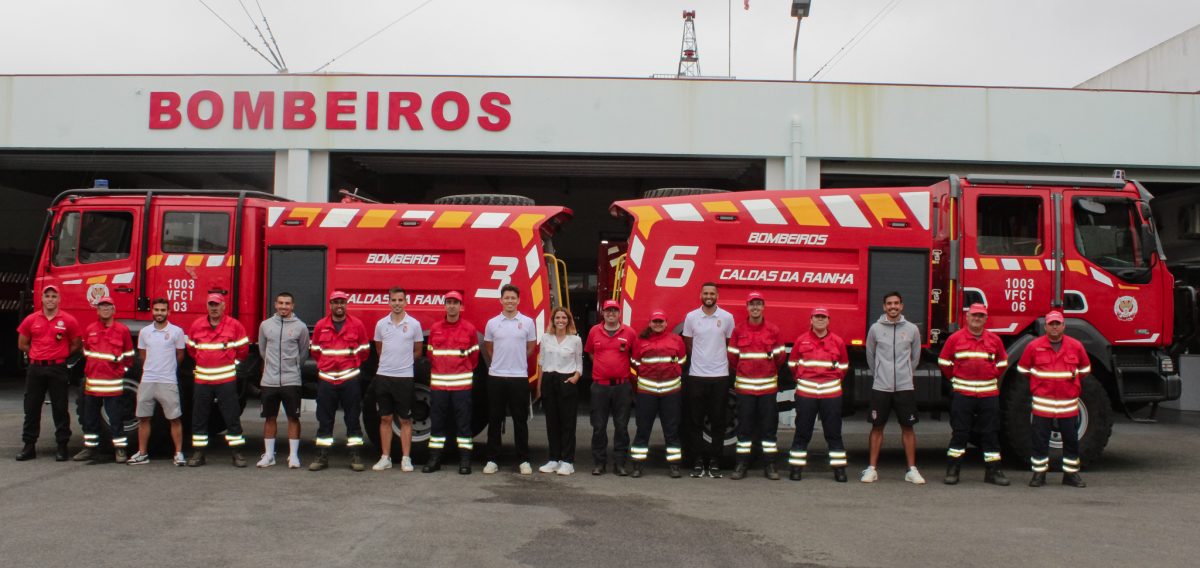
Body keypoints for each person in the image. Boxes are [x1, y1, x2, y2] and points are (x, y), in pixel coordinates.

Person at [938, 303, 1010, 486]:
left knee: (991, 433)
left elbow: (1003, 363)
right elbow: (944, 362)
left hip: (988, 393)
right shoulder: (955, 339)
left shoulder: (994, 340)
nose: (977, 319)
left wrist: (991, 374)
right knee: (960, 433)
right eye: (974, 315)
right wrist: (956, 378)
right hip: (963, 393)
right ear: (967, 317)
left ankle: (993, 472)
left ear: (986, 319)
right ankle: (953, 470)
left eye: (981, 316)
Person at [1017, 310, 1090, 488]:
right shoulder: (1034, 346)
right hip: (1043, 404)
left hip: (1068, 405)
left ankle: (1071, 475)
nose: (1055, 327)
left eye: (1058, 323)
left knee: (1071, 441)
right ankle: (1039, 474)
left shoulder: (1076, 346)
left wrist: (1071, 385)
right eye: (1051, 324)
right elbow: (1023, 369)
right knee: (1040, 440)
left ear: (1063, 326)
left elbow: (1085, 369)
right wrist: (1039, 384)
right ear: (1046, 326)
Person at [862, 291, 925, 484]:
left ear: (902, 306)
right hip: (881, 386)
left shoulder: (912, 329)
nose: (893, 307)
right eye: (889, 304)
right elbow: (870, 356)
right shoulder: (875, 329)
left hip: (905, 386)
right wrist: (881, 374)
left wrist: (905, 373)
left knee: (908, 427)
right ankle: (871, 469)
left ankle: (911, 470)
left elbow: (915, 357)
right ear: (884, 307)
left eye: (896, 303)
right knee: (877, 427)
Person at [15, 284, 81, 462]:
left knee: (60, 408)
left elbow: (76, 343)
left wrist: (61, 355)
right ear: (42, 299)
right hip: (36, 369)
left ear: (59, 299)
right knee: (31, 408)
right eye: (47, 296)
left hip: (57, 369)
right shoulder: (31, 319)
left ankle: (62, 446)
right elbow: (22, 344)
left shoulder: (68, 320)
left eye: (54, 296)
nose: (50, 299)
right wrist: (37, 355)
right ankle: (29, 446)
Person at [186, 292, 250, 467]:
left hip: (226, 381)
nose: (214, 308)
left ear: (223, 306)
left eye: (217, 304)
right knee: (199, 418)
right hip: (202, 381)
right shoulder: (197, 325)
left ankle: (237, 453)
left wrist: (229, 363)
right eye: (211, 305)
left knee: (232, 417)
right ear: (207, 306)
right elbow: (191, 349)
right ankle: (199, 453)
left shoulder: (234, 326)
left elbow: (243, 351)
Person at [308, 291, 370, 472]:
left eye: (342, 302)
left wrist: (350, 365)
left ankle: (356, 455)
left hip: (349, 379)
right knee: (324, 420)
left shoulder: (357, 325)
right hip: (327, 380)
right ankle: (321, 456)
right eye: (336, 302)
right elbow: (316, 351)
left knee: (352, 419)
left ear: (346, 304)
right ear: (330, 305)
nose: (339, 306)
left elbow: (364, 351)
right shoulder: (321, 325)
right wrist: (328, 365)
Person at [727, 292, 786, 481]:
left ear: (763, 307)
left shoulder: (773, 330)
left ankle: (770, 465)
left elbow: (780, 358)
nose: (755, 308)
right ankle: (741, 464)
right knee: (744, 428)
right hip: (745, 390)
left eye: (758, 304)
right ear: (747, 307)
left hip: (767, 389)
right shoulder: (738, 330)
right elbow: (733, 358)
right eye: (752, 304)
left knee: (769, 428)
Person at [787, 307, 850, 482]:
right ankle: (796, 468)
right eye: (817, 317)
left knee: (833, 433)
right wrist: (801, 378)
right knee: (802, 432)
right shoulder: (802, 340)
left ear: (828, 321)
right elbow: (792, 364)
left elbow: (844, 366)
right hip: (806, 393)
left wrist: (833, 379)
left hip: (831, 394)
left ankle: (839, 470)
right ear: (811, 320)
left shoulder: (837, 341)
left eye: (824, 317)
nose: (820, 320)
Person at [682, 282, 735, 478]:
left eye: (712, 293)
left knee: (718, 421)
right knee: (695, 421)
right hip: (697, 376)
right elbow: (689, 344)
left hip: (720, 376)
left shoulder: (727, 318)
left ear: (717, 296)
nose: (709, 296)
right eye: (705, 293)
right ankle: (697, 461)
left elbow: (728, 343)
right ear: (701, 295)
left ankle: (715, 462)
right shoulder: (691, 317)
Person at [423, 291, 480, 475]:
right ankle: (434, 459)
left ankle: (465, 460)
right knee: (437, 423)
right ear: (444, 305)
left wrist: (461, 372)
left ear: (460, 306)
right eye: (449, 302)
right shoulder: (435, 328)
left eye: (455, 302)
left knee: (463, 423)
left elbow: (474, 357)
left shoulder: (469, 329)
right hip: (439, 385)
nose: (452, 305)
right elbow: (430, 354)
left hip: (461, 386)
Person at [483, 284, 538, 475]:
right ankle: (492, 459)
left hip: (519, 378)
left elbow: (530, 348)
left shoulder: (528, 322)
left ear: (518, 300)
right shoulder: (492, 323)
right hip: (496, 377)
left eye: (513, 298)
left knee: (520, 420)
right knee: (495, 419)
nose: (509, 301)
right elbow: (489, 349)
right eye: (506, 298)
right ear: (501, 300)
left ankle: (523, 460)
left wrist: (516, 361)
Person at [74, 296, 134, 463]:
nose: (105, 309)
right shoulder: (90, 329)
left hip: (112, 386)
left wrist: (121, 371)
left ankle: (120, 450)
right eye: (102, 306)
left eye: (108, 306)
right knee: (90, 420)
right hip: (92, 385)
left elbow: (129, 356)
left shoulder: (122, 331)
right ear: (97, 310)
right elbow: (85, 352)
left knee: (116, 419)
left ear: (114, 310)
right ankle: (90, 449)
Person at [127, 298, 187, 466]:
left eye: (162, 310)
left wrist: (167, 369)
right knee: (143, 417)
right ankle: (142, 453)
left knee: (174, 418)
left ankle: (178, 453)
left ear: (168, 312)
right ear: (152, 311)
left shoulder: (177, 331)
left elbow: (180, 356)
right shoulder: (145, 332)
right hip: (148, 380)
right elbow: (142, 355)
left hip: (167, 380)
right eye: (156, 310)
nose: (159, 313)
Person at [629, 310, 687, 478]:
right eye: (655, 321)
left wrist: (673, 371)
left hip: (671, 392)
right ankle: (638, 465)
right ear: (650, 323)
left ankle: (674, 465)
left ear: (666, 323)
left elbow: (682, 361)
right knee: (643, 429)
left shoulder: (676, 340)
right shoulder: (641, 341)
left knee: (671, 430)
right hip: (647, 392)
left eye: (661, 321)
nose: (658, 324)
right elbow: (634, 364)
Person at [372, 287, 424, 472]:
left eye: (400, 300)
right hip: (384, 376)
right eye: (393, 300)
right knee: (385, 418)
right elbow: (379, 349)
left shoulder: (414, 324)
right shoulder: (381, 324)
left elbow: (418, 350)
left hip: (404, 378)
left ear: (406, 302)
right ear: (389, 302)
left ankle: (405, 458)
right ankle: (385, 457)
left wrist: (404, 364)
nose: (397, 303)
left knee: (405, 420)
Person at [584, 300, 638, 476]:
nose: (611, 314)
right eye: (608, 311)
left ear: (619, 313)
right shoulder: (594, 331)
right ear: (603, 313)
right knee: (599, 426)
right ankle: (599, 463)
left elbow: (634, 355)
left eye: (614, 311)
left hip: (622, 387)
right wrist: (604, 368)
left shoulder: (629, 332)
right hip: (600, 387)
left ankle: (620, 464)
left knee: (621, 427)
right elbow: (591, 353)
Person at [257, 292, 310, 469]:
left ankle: (293, 456)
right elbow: (263, 350)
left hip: (291, 380)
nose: (284, 307)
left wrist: (293, 367)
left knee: (293, 417)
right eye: (280, 303)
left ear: (292, 306)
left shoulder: (300, 327)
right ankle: (269, 455)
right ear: (275, 304)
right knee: (269, 418)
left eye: (287, 304)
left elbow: (303, 353)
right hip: (269, 381)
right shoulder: (265, 325)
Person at [536, 306, 582, 476]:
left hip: (567, 380)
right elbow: (541, 363)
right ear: (553, 320)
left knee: (568, 423)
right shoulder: (546, 338)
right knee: (552, 423)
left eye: (564, 318)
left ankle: (568, 461)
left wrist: (576, 377)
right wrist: (540, 386)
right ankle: (554, 459)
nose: (560, 321)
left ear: (568, 320)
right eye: (557, 318)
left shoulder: (575, 340)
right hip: (549, 380)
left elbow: (579, 362)